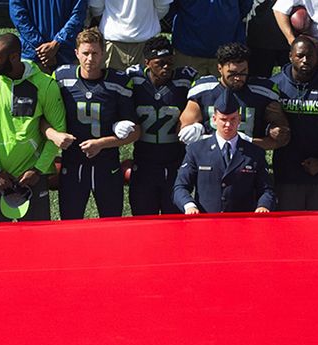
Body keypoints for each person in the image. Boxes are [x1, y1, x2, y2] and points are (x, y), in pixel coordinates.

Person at [0, 31, 64, 219]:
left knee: (36, 239)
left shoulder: (45, 85)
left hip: (34, 177)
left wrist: (38, 170)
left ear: (14, 57)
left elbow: (58, 132)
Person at [53, 27, 135, 218]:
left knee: (111, 222)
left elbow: (135, 131)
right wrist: (54, 135)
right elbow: (42, 118)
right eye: (85, 53)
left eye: (95, 53)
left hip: (107, 162)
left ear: (104, 53)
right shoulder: (61, 78)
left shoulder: (119, 82)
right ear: (76, 53)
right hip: (73, 161)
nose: (90, 59)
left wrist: (102, 143)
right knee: (70, 224)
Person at [266, 35, 318, 208]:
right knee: (288, 231)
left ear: (317, 57)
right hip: (286, 176)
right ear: (290, 56)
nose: (305, 60)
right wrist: (269, 130)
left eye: (310, 55)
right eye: (300, 55)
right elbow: (256, 124)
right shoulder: (273, 86)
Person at [124, 36, 191, 213]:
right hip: (144, 161)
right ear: (147, 63)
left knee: (175, 221)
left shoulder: (185, 80)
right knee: (143, 219)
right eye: (160, 63)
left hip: (175, 161)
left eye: (170, 62)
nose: (167, 67)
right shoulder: (133, 79)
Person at [181, 43, 287, 152]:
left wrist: (248, 143)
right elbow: (183, 131)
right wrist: (196, 134)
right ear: (219, 68)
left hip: (249, 159)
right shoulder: (203, 90)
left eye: (243, 72)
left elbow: (282, 138)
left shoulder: (263, 92)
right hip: (210, 157)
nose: (237, 78)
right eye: (232, 73)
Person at [174, 94, 273, 210]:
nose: (228, 125)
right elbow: (180, 187)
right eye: (223, 120)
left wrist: (263, 206)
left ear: (239, 119)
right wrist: (189, 206)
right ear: (214, 119)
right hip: (207, 221)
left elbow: (267, 190)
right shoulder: (197, 150)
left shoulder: (254, 153)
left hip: (242, 222)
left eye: (233, 119)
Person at [166, 0, 251, 76]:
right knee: (182, 90)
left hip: (227, 55)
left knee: (226, 92)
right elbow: (168, 6)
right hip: (188, 52)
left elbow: (245, 7)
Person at [12, 0, 86, 70]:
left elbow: (78, 15)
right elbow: (18, 16)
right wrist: (49, 48)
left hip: (64, 55)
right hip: (36, 56)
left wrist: (52, 45)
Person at [90, 0, 164, 70]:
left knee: (110, 82)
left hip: (115, 42)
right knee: (145, 82)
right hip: (144, 40)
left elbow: (96, 7)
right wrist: (147, 22)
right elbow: (162, 6)